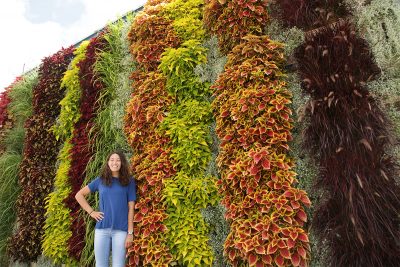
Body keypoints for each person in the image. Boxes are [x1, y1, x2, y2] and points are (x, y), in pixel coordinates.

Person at [75, 151, 136, 267]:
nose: (115, 162)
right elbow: (79, 195)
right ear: (108, 163)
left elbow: (131, 209)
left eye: (118, 160)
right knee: (101, 265)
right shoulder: (101, 180)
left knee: (119, 265)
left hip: (121, 232)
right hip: (102, 230)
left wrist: (130, 233)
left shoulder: (129, 182)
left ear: (122, 163)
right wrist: (91, 212)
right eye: (112, 160)